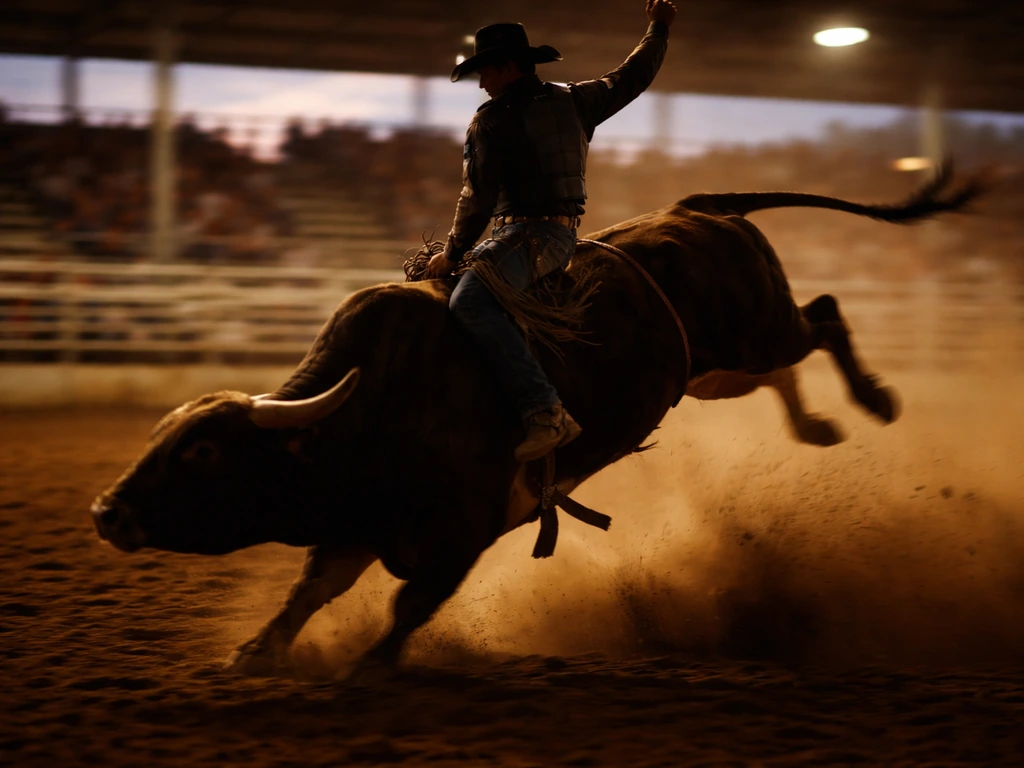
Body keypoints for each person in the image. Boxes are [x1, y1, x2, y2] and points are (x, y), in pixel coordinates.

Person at [425, 0, 678, 462]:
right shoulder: (577, 100)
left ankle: (544, 410)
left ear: (505, 67)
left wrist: (453, 250)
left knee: (470, 304)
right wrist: (658, 30)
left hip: (525, 238)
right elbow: (633, 75)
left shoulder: (491, 119)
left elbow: (476, 197)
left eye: (485, 71)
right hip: (556, 238)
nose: (481, 82)